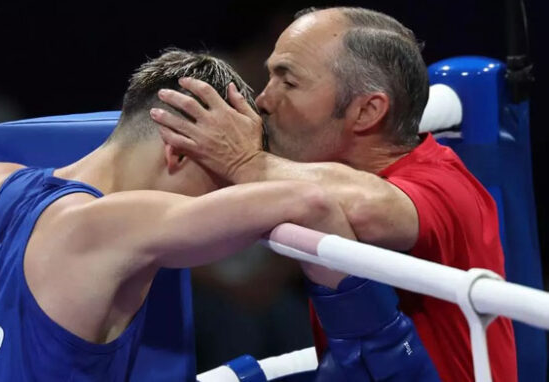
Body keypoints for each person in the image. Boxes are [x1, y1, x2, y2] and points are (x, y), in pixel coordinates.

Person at [0, 49, 390, 381]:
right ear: (180, 150)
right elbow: (318, 201)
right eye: (220, 172)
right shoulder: (121, 224)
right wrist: (249, 160)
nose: (222, 190)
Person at [151, 6, 517, 382]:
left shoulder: (444, 186)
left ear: (366, 112)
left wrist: (245, 161)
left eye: (288, 82)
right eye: (270, 76)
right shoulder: (315, 173)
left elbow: (370, 207)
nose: (263, 99)